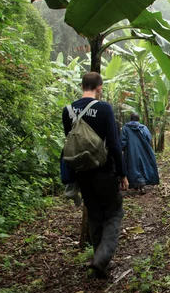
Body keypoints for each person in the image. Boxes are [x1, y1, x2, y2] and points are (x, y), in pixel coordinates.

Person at [62, 72, 128, 279]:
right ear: (99, 88)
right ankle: (102, 258)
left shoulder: (68, 110)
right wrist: (122, 173)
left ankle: (99, 260)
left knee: (95, 215)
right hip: (104, 171)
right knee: (113, 213)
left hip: (82, 173)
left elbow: (70, 142)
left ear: (82, 85)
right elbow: (115, 145)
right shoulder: (104, 108)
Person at [120, 113, 159, 194]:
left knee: (133, 167)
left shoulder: (125, 128)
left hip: (131, 152)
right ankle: (142, 186)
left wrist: (120, 150)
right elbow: (148, 138)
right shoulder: (144, 128)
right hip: (144, 151)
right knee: (143, 166)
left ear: (130, 119)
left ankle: (136, 184)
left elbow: (122, 141)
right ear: (138, 119)